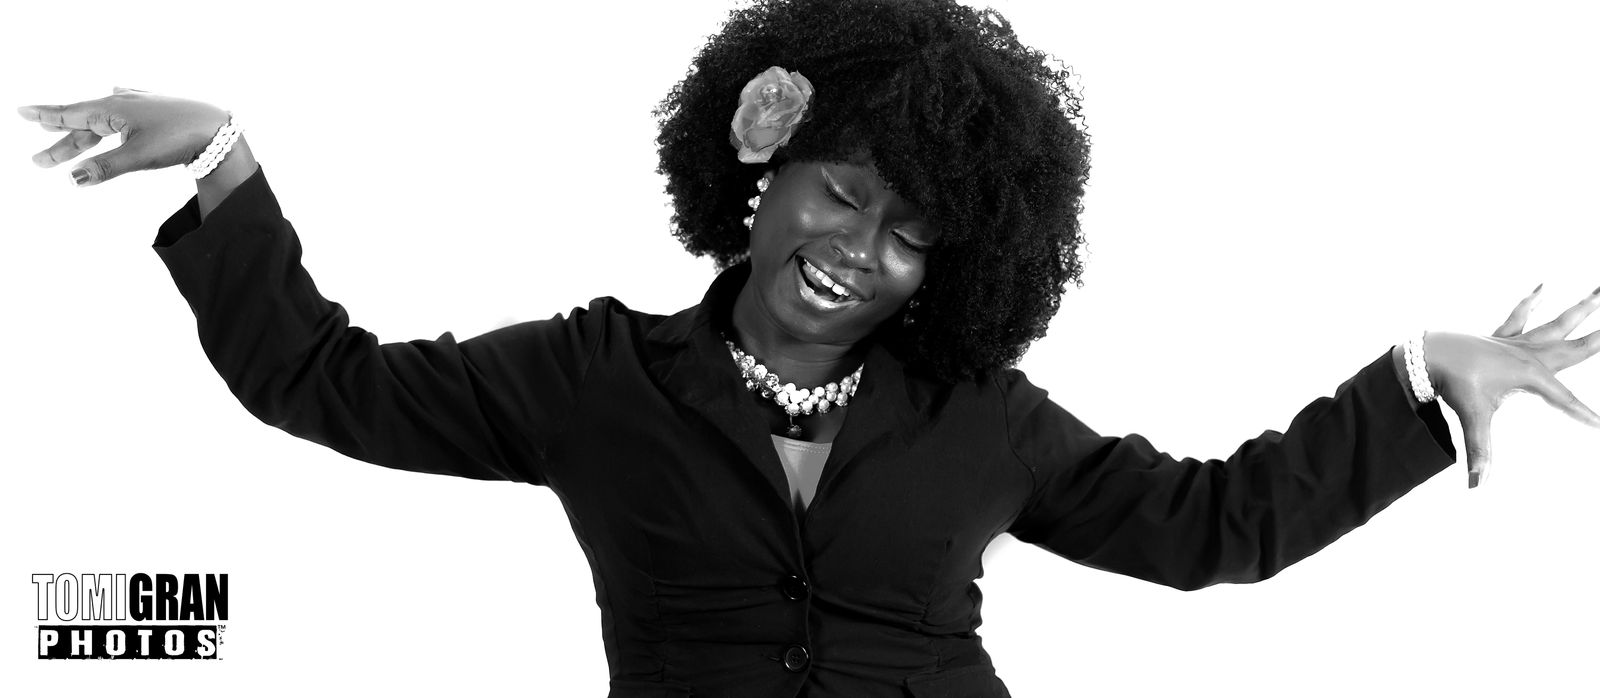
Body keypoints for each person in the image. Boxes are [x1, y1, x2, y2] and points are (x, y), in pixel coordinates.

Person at [16, 0, 1600, 695]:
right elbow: (326, 381)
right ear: (763, 164)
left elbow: (1207, 527)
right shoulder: (590, 378)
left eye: (912, 232)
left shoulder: (980, 414)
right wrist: (222, 163)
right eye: (843, 191)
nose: (860, 247)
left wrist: (1417, 387)